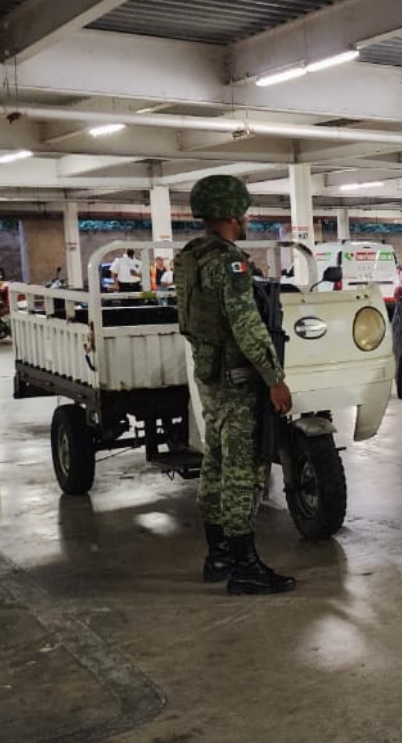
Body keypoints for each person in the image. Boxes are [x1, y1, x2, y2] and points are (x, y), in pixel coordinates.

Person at [174, 175, 296, 595]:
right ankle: (245, 566)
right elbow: (247, 326)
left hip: (208, 372)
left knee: (216, 462)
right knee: (243, 469)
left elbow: (188, 320)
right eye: (243, 212)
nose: (245, 219)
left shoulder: (189, 256)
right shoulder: (231, 262)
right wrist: (275, 378)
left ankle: (219, 554)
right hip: (236, 377)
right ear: (230, 215)